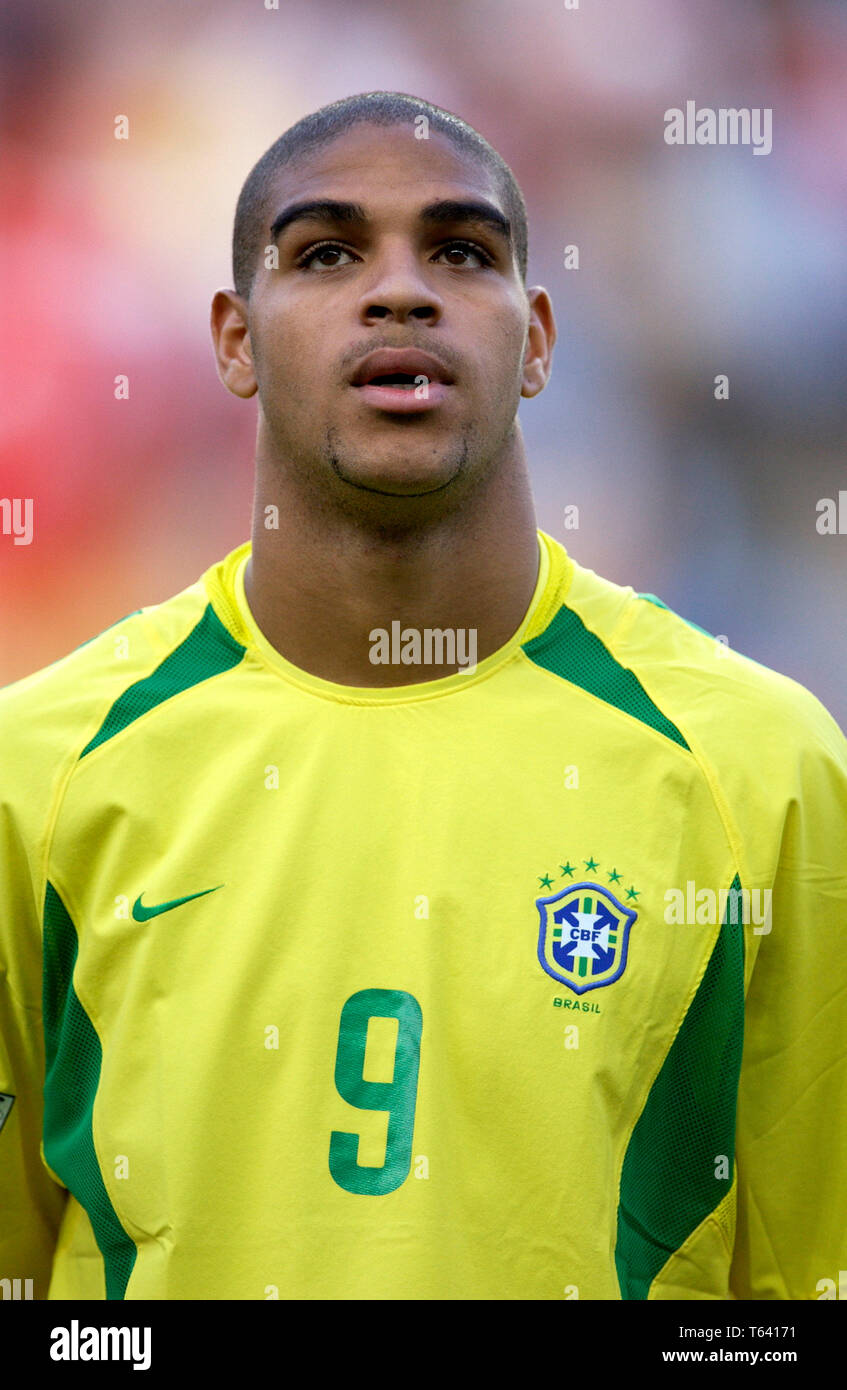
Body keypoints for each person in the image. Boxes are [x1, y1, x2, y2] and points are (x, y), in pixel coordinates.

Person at [1, 90, 845, 1302]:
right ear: (234, 341)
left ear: (539, 338)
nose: (400, 291)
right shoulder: (40, 770)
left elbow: (811, 1278)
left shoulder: (759, 764)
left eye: (460, 251)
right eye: (329, 252)